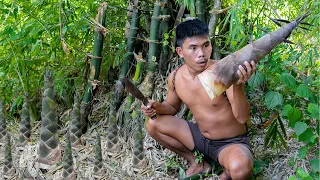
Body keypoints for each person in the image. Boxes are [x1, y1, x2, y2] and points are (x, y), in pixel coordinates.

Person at [141, 19, 256, 180]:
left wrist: (237, 86)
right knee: (153, 124)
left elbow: (243, 117)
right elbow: (171, 107)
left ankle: (228, 171)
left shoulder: (223, 72)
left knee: (241, 168)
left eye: (206, 45)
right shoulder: (176, 77)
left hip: (230, 143)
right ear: (180, 52)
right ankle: (197, 162)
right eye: (193, 48)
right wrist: (156, 107)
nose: (201, 53)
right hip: (200, 139)